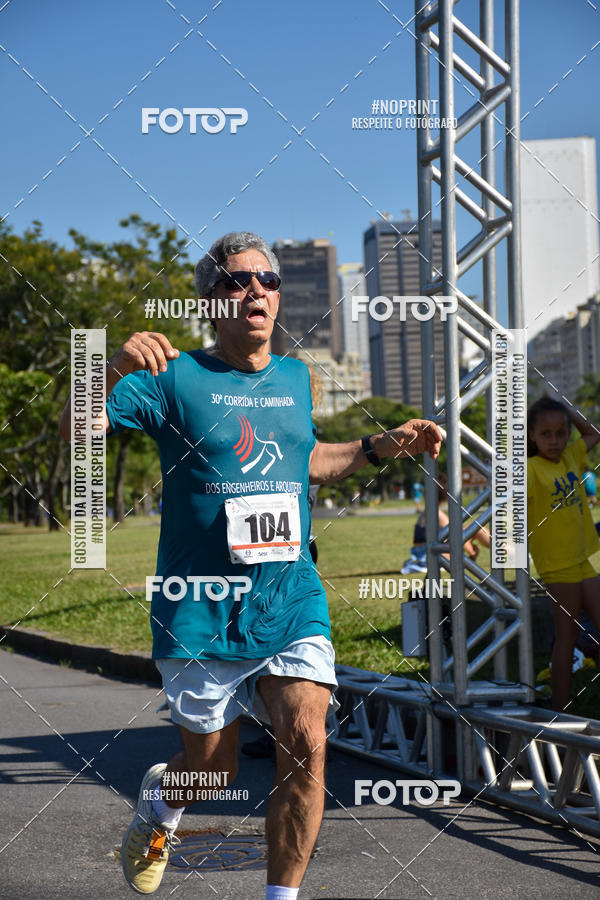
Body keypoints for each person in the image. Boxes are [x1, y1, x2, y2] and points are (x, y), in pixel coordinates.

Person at [58, 231, 442, 899]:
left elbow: (306, 462)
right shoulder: (172, 376)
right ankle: (162, 803)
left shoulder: (297, 377)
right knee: (214, 771)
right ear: (210, 301)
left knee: (307, 740)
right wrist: (110, 365)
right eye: (237, 281)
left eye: (266, 280)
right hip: (200, 604)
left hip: (289, 594)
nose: (256, 290)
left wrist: (380, 447)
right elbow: (73, 427)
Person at [527, 394, 600, 711]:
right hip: (557, 566)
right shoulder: (529, 470)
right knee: (566, 637)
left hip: (586, 559)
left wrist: (566, 409)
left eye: (560, 432)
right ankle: (559, 707)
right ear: (531, 435)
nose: (555, 441)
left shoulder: (572, 455)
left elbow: (594, 434)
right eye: (545, 434)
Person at [401, 478, 490, 574]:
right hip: (429, 555)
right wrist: (472, 553)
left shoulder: (429, 511)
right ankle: (505, 550)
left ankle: (504, 549)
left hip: (423, 553)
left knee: (470, 528)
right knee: (477, 529)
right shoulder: (437, 514)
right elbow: (456, 535)